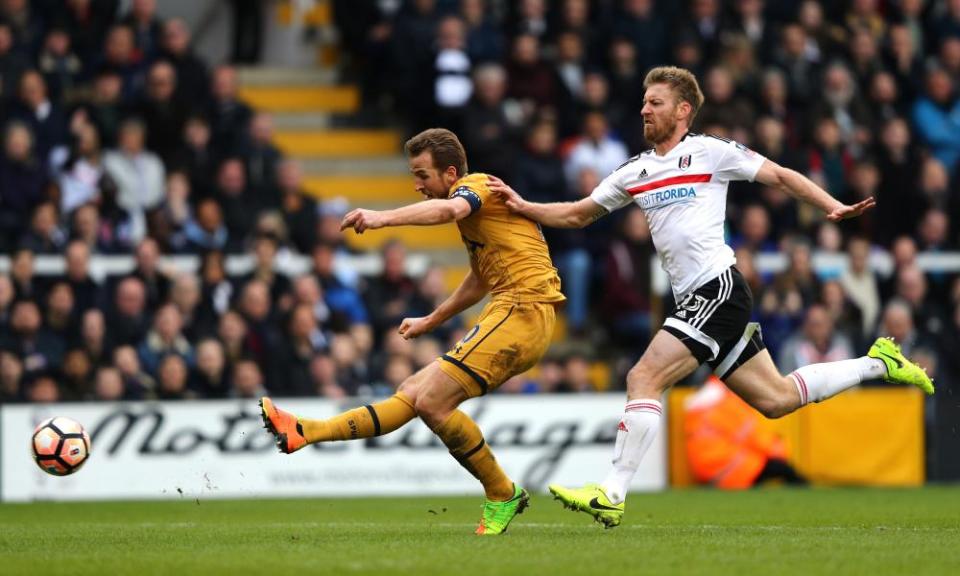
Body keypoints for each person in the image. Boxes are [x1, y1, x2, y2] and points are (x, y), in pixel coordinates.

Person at [487, 66, 934, 528]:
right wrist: (523, 207)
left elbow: (779, 176)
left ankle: (611, 491)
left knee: (644, 376)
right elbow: (579, 214)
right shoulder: (635, 170)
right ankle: (879, 363)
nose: (644, 108)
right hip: (694, 301)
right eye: (643, 101)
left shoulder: (711, 152)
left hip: (717, 288)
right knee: (776, 399)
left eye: (655, 102)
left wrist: (831, 206)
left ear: (683, 110)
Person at [260, 128, 565, 535]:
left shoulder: (476, 187)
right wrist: (432, 320)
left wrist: (381, 218)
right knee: (412, 393)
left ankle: (501, 491)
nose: (417, 184)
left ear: (450, 172)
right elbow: (479, 279)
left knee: (433, 403)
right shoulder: (480, 221)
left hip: (523, 311)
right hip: (510, 311)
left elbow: (448, 211)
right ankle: (306, 431)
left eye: (423, 175)